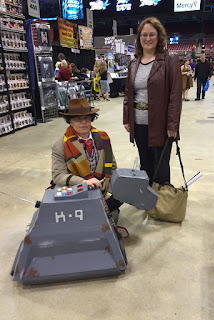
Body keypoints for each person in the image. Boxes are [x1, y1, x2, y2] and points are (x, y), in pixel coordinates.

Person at [123, 17, 182, 186]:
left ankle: (162, 203)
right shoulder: (134, 63)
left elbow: (175, 96)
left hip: (160, 124)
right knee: (145, 164)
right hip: (139, 123)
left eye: (152, 34)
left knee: (161, 165)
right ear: (139, 37)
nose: (147, 39)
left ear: (159, 37)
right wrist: (127, 119)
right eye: (144, 35)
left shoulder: (170, 60)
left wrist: (173, 126)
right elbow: (128, 94)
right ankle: (147, 198)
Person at [52, 97, 122, 220]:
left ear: (91, 119)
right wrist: (83, 183)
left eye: (86, 118)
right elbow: (58, 176)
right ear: (70, 121)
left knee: (124, 191)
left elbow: (112, 168)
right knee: (58, 195)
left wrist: (109, 192)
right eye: (78, 119)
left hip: (103, 188)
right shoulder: (60, 145)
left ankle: (102, 208)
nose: (83, 122)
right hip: (78, 190)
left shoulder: (103, 137)